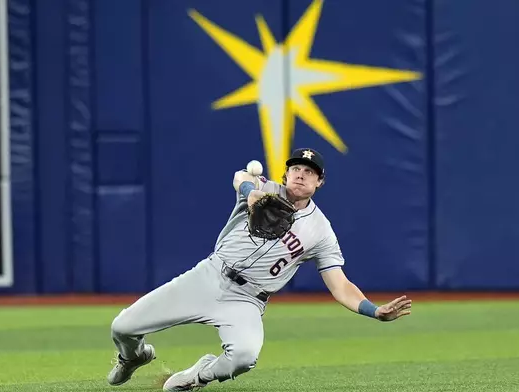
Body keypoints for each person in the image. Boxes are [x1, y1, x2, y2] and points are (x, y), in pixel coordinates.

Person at [106, 148, 413, 391]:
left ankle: (199, 375)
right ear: (286, 173)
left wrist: (374, 311)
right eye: (296, 169)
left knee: (243, 357)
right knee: (122, 327)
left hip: (247, 300)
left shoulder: (321, 232)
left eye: (310, 172)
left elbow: (340, 286)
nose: (301, 175)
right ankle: (134, 357)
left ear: (319, 182)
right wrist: (250, 192)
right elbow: (240, 176)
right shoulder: (264, 189)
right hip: (209, 276)